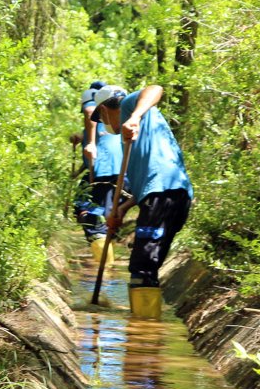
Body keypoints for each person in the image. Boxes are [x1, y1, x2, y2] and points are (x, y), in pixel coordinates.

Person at [91, 84, 192, 319]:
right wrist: (122, 209)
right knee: (145, 266)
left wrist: (134, 117)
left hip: (165, 193)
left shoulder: (131, 107)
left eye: (101, 116)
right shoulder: (128, 142)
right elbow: (144, 186)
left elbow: (155, 89)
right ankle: (145, 328)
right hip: (166, 196)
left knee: (142, 267)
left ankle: (144, 339)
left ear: (106, 109)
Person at [74, 81, 123, 260]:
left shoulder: (92, 102)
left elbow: (89, 111)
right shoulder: (107, 120)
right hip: (113, 169)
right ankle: (104, 261)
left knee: (93, 217)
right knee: (93, 210)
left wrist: (90, 143)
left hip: (104, 169)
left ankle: (106, 268)